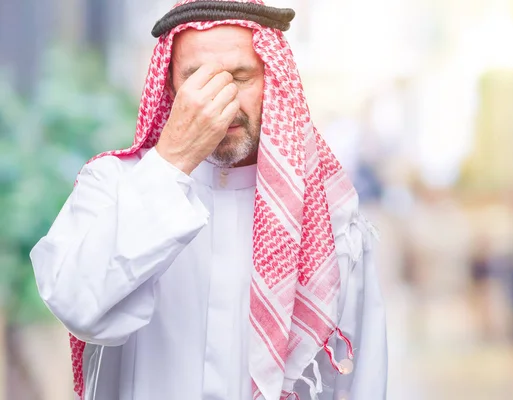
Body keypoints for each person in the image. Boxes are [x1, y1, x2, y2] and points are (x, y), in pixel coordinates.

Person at [29, 1, 388, 399]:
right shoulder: (112, 186)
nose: (222, 102)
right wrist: (174, 159)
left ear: (273, 80)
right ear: (170, 88)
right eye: (197, 79)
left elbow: (362, 382)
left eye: (239, 76)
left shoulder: (330, 217)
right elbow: (78, 305)